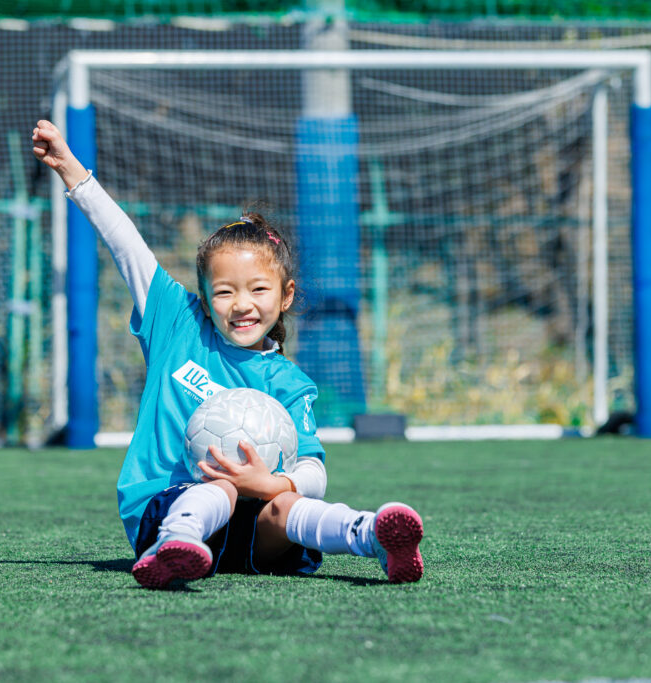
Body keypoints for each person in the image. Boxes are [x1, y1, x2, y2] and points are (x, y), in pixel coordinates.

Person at [32, 119, 424, 589]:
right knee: (216, 485)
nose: (241, 304)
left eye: (258, 289)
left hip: (254, 530)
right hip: (163, 508)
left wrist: (273, 485)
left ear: (285, 295)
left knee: (286, 507)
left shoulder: (289, 382)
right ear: (202, 296)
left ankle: (372, 536)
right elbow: (127, 246)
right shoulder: (179, 325)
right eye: (223, 291)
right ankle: (176, 545)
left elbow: (313, 470)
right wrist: (73, 172)